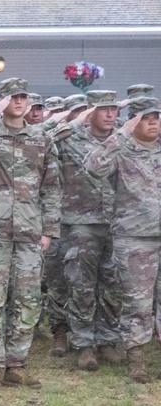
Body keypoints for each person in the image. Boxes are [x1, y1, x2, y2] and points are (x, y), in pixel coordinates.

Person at [0, 78, 61, 391]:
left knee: (28, 299)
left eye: (23, 96)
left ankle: (16, 363)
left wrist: (49, 228)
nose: (19, 102)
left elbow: (51, 186)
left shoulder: (42, 137)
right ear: (2, 101)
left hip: (29, 230)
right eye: (12, 97)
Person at [84, 100, 161, 383]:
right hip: (134, 238)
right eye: (146, 118)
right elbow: (93, 167)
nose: (153, 122)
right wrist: (120, 135)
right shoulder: (122, 149)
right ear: (132, 123)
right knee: (137, 303)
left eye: (156, 117)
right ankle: (136, 361)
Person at [53, 90, 124, 371]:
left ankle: (107, 340)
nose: (110, 114)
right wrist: (74, 122)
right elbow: (44, 139)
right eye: (103, 109)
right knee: (81, 285)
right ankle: (84, 344)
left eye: (114, 109)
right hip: (81, 222)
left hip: (118, 222)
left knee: (113, 285)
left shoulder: (124, 139)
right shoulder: (71, 139)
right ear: (90, 112)